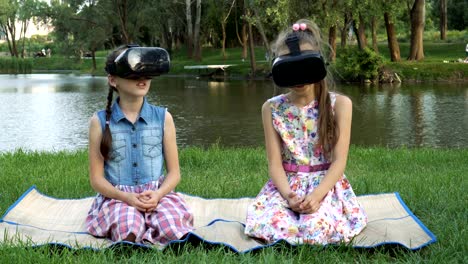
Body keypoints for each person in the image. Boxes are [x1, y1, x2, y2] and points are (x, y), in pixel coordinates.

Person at [245, 19, 367, 245]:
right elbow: (274, 163)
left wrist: (317, 195)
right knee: (273, 224)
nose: (298, 77)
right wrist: (289, 196)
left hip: (325, 186)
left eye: (304, 66)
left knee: (314, 229)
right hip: (286, 187)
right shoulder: (271, 109)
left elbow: (339, 162)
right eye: (290, 67)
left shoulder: (339, 105)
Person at [86, 44, 194, 246]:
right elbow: (96, 179)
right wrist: (125, 197)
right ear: (113, 80)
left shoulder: (164, 118)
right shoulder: (99, 122)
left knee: (172, 227)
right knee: (128, 228)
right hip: (118, 198)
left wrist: (158, 194)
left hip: (156, 195)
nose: (142, 79)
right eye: (133, 74)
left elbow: (174, 173)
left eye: (146, 74)